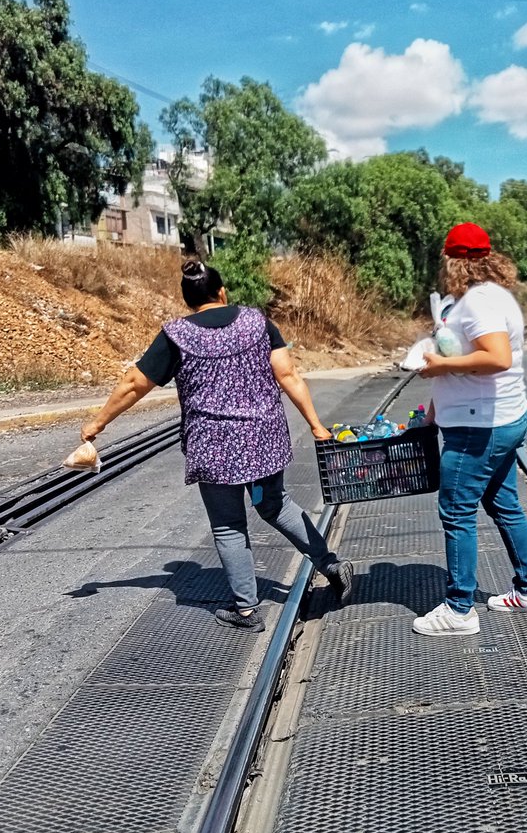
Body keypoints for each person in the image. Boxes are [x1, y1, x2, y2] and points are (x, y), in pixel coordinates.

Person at [80, 261, 354, 633]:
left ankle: (246, 610)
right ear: (222, 292)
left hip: (213, 445)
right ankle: (331, 565)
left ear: (188, 300)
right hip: (263, 439)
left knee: (228, 525)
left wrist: (98, 423)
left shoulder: (176, 334)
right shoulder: (257, 321)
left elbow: (134, 382)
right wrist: (316, 425)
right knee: (275, 505)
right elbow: (287, 374)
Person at [413, 222, 527, 637]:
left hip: (479, 427)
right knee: (504, 504)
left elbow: (498, 357)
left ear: (455, 261)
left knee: (456, 510)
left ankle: (458, 610)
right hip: (491, 419)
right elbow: (471, 359)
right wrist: (435, 407)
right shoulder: (487, 297)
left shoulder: (478, 302)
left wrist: (438, 366)